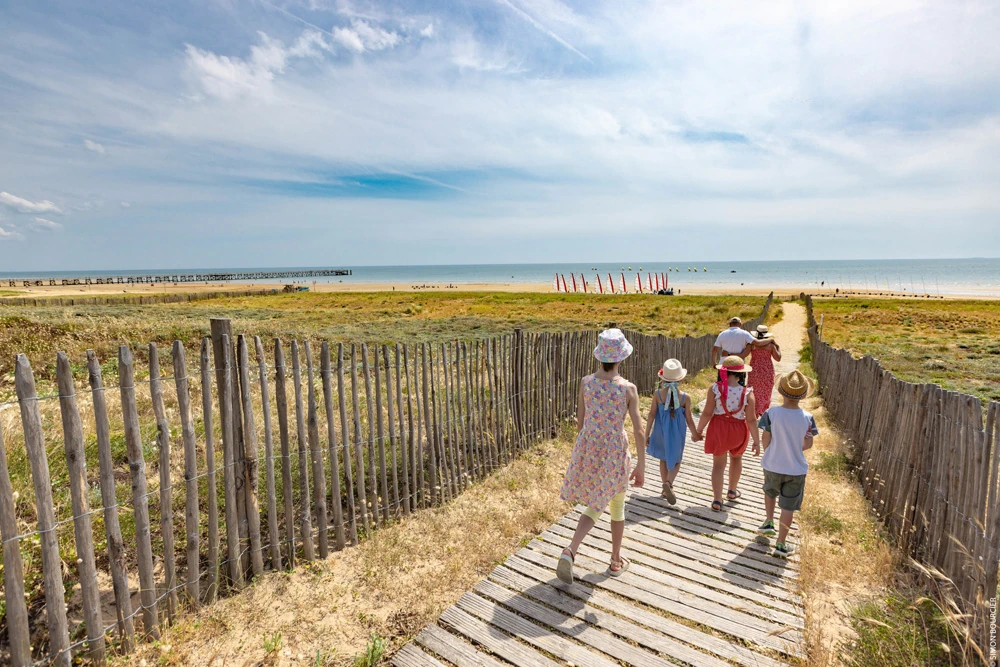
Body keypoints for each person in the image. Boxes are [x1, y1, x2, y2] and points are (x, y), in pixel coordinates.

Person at [557, 329, 646, 582]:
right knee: (614, 505)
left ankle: (571, 551)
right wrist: (640, 464)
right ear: (621, 358)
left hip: (589, 448)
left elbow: (581, 421)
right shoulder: (628, 389)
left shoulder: (586, 382)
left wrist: (586, 449)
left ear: (600, 356)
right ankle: (614, 560)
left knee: (597, 500)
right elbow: (639, 429)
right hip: (614, 453)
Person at [754, 370, 818, 558]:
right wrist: (795, 448)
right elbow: (808, 443)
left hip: (773, 464)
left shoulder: (771, 413)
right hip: (795, 469)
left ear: (780, 392)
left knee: (770, 492)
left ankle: (768, 521)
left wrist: (771, 451)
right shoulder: (808, 418)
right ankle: (781, 544)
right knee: (788, 507)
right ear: (804, 395)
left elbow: (766, 437)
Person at [695, 355, 759, 511]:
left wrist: (699, 430)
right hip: (738, 429)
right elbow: (751, 419)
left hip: (719, 428)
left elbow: (707, 412)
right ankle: (732, 491)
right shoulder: (747, 392)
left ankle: (717, 500)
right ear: (741, 373)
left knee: (718, 466)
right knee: (736, 459)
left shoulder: (715, 389)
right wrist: (757, 441)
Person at [644, 359, 700, 505]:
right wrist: (695, 434)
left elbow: (651, 415)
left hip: (660, 431)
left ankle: (664, 487)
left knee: (663, 458)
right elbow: (689, 419)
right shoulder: (685, 397)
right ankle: (668, 483)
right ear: (680, 378)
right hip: (677, 434)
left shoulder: (658, 395)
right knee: (676, 460)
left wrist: (646, 434)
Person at [747, 325, 781, 417]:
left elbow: (744, 354)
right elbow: (778, 358)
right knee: (766, 391)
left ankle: (754, 411)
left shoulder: (752, 344)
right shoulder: (771, 345)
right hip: (767, 371)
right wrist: (777, 347)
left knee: (753, 391)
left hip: (754, 370)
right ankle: (763, 410)